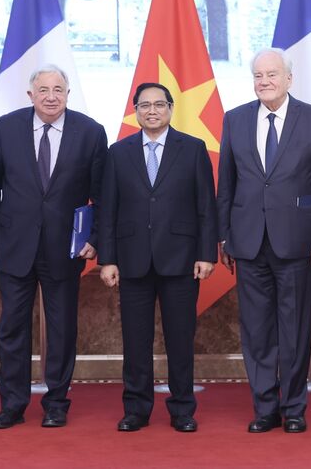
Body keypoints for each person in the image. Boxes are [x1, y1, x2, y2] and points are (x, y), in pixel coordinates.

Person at [216, 48, 311, 434]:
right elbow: (226, 184)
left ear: (289, 78)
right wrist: (224, 236)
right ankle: (265, 408)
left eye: (272, 74)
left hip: (299, 244)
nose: (264, 81)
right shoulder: (235, 119)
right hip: (248, 242)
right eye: (258, 75)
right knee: (256, 330)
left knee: (294, 329)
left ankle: (294, 407)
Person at [0, 64, 107, 429]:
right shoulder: (6, 127)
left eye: (58, 90)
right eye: (44, 90)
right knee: (12, 328)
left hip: (65, 248)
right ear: (30, 95)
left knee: (62, 330)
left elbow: (103, 194)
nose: (51, 97)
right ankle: (12, 405)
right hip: (13, 245)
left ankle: (56, 404)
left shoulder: (91, 132)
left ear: (68, 94)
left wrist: (95, 239)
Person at [99, 82, 218, 433]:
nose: (152, 111)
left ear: (170, 109)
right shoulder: (118, 152)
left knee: (180, 340)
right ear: (135, 110)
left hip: (181, 259)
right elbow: (108, 209)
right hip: (131, 259)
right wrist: (108, 259)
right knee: (136, 341)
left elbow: (206, 206)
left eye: (159, 105)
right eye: (145, 105)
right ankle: (136, 409)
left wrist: (206, 254)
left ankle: (182, 409)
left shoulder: (192, 148)